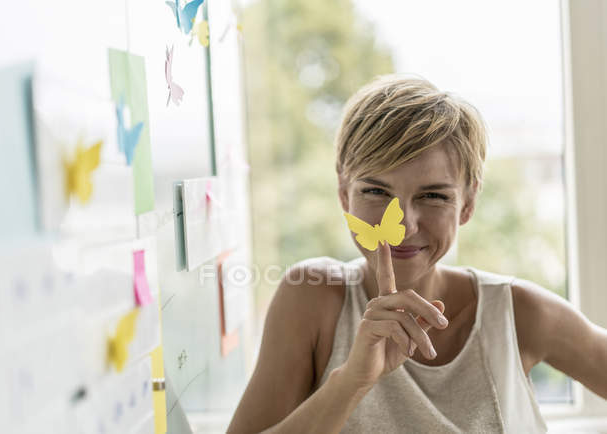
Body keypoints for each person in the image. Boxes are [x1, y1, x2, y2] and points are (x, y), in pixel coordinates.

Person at [227, 74, 607, 433]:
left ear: (468, 204)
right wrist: (353, 381)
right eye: (376, 192)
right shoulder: (311, 298)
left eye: (433, 196)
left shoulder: (519, 314)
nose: (405, 225)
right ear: (345, 195)